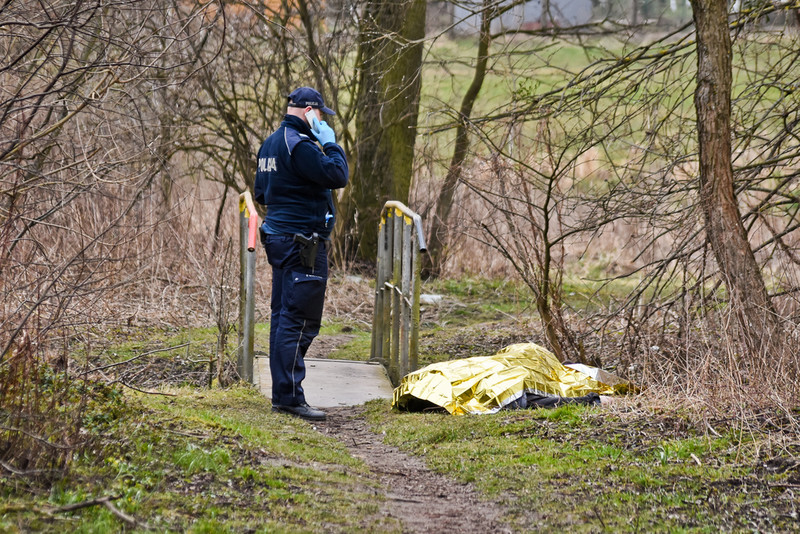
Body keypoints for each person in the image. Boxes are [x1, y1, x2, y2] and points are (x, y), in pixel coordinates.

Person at [254, 87, 349, 421]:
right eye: (320, 114)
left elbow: (260, 193)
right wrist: (331, 143)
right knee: (301, 319)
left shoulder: (270, 143)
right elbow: (338, 175)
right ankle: (291, 397)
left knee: (283, 315)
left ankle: (284, 394)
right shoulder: (303, 144)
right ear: (310, 111)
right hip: (302, 244)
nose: (322, 120)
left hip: (279, 238)